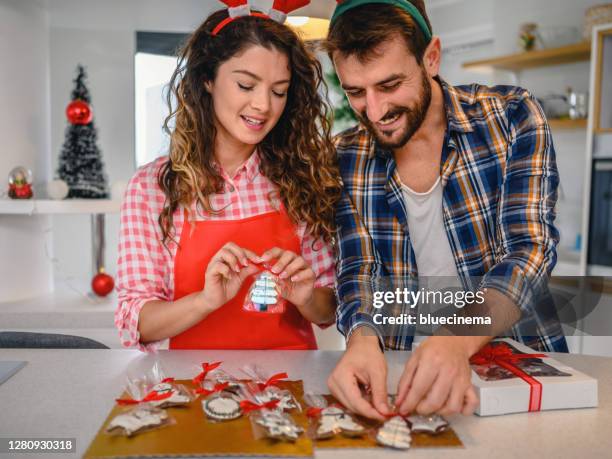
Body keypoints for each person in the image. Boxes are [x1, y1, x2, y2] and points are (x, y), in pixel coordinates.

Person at [324, 0, 568, 420]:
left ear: (431, 57)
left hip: (517, 367)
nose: (375, 111)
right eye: (355, 92)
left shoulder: (512, 117)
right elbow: (357, 270)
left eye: (389, 85)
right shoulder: (344, 156)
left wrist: (456, 338)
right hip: (406, 379)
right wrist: (362, 339)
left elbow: (529, 250)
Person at [115, 0, 342, 351]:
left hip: (289, 389)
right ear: (207, 79)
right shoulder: (151, 188)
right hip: (192, 391)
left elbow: (327, 310)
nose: (264, 105)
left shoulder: (301, 177)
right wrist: (206, 300)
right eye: (246, 85)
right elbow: (137, 323)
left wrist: (306, 295)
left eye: (278, 91)